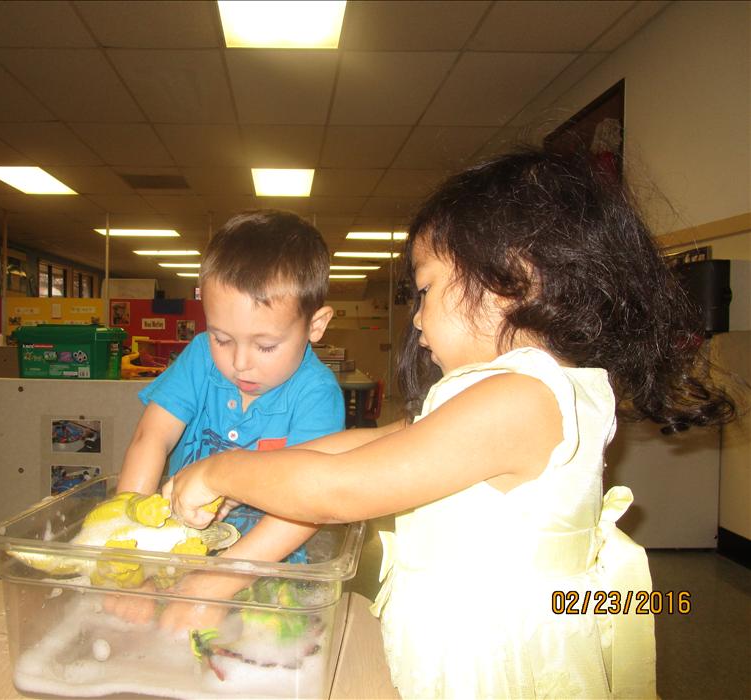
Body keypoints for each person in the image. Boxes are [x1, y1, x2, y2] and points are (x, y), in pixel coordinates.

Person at [165, 147, 736, 698]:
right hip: (463, 637)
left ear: (514, 277)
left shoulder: (521, 399)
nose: (417, 319)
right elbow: (363, 445)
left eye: (426, 290)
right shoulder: (502, 393)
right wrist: (255, 466)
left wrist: (224, 471)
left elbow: (342, 490)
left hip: (492, 661)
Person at [111, 209, 345, 629]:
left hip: (269, 566)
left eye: (266, 345)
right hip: (177, 553)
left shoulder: (316, 394)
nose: (239, 363)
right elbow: (151, 437)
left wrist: (217, 582)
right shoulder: (200, 357)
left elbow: (308, 505)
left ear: (316, 325)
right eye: (221, 338)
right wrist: (126, 555)